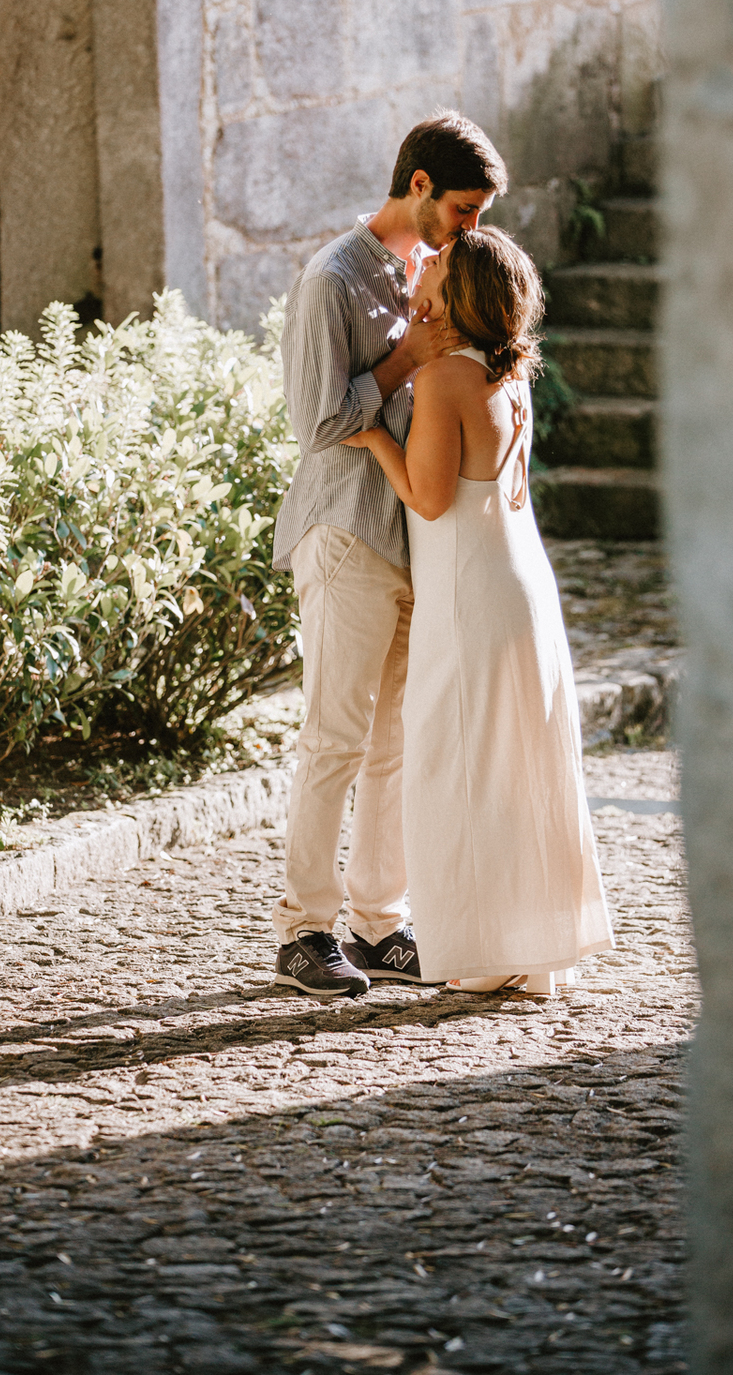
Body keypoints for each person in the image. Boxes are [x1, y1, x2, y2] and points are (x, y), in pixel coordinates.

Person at [270, 113, 507, 999]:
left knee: (394, 745)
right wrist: (409, 356)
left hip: (415, 539)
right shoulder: (331, 278)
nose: (470, 227)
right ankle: (303, 932)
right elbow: (319, 422)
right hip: (345, 534)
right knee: (334, 738)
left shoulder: (428, 270)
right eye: (465, 208)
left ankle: (378, 924)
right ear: (418, 186)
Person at [343, 227, 613, 993]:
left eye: (440, 266)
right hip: (521, 583)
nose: (425, 265)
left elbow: (429, 498)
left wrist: (373, 439)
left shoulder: (444, 379)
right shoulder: (507, 371)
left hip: (469, 595)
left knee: (458, 764)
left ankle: (480, 953)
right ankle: (525, 946)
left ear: (460, 293)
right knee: (515, 768)